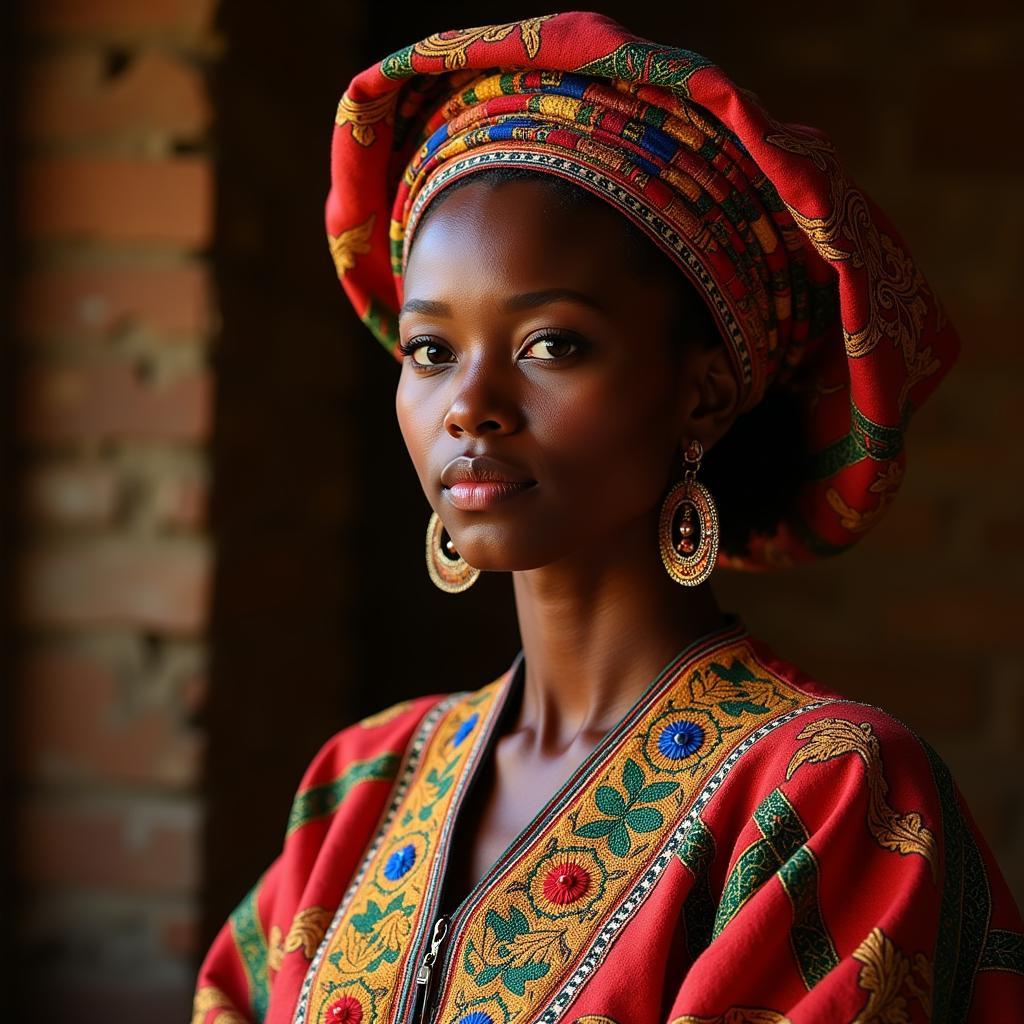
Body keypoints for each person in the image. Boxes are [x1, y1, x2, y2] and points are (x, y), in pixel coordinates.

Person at [192, 11, 1024, 1024]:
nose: (468, 404)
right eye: (429, 350)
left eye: (552, 344)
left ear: (702, 394)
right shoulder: (359, 784)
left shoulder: (830, 797)